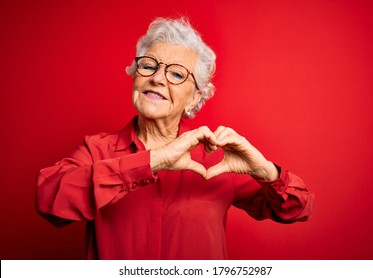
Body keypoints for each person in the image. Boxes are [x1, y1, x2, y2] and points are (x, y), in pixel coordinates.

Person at [36, 17, 314, 260]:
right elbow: (50, 201)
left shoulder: (218, 160)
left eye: (177, 74)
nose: (157, 78)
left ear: (195, 97)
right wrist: (154, 161)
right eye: (149, 66)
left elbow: (296, 208)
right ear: (135, 76)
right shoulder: (97, 149)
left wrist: (265, 170)